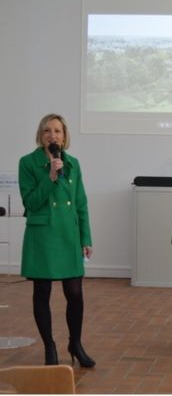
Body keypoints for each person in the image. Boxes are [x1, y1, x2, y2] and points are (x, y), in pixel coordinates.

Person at [18, 113, 95, 367]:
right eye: (48, 130)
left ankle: (76, 344)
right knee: (42, 292)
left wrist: (86, 236)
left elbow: (81, 203)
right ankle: (49, 347)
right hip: (42, 235)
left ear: (65, 135)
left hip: (68, 235)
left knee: (75, 294)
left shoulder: (73, 162)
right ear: (41, 135)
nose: (53, 135)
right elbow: (30, 202)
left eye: (58, 131)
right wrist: (50, 176)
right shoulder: (28, 163)